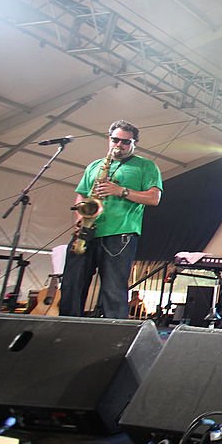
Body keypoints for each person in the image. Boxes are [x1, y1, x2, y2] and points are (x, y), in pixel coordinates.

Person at [60, 120, 162, 319]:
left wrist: (120, 191)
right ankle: (66, 328)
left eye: (126, 142)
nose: (120, 145)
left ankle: (113, 337)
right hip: (87, 232)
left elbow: (154, 198)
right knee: (72, 285)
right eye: (116, 140)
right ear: (109, 139)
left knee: (113, 290)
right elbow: (81, 195)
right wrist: (80, 218)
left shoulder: (146, 166)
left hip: (120, 234)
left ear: (134, 144)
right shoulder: (94, 166)